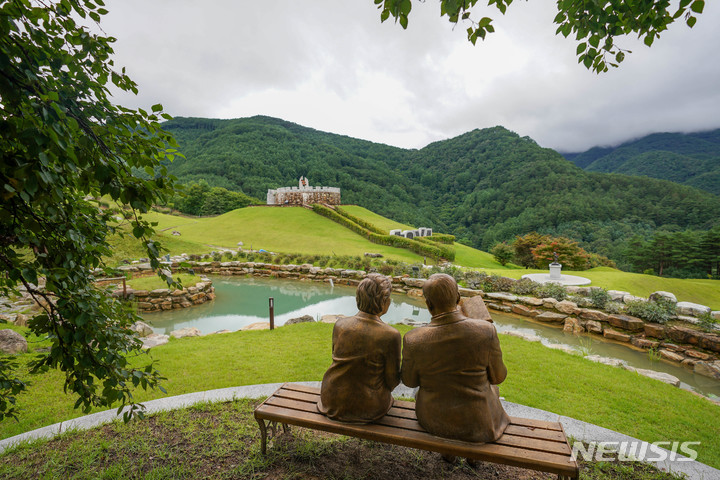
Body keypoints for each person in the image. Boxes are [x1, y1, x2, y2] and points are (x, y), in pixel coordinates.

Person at [401, 273, 510, 443]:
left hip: (433, 421)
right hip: (479, 423)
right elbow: (499, 377)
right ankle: (473, 456)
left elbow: (409, 382)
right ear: (458, 298)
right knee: (493, 389)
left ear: (428, 304)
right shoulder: (486, 330)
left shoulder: (413, 339)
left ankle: (448, 453)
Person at [317, 273, 401, 423]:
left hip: (331, 398)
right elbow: (392, 381)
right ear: (385, 301)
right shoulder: (390, 335)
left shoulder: (340, 325)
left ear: (358, 298)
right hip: (367, 407)